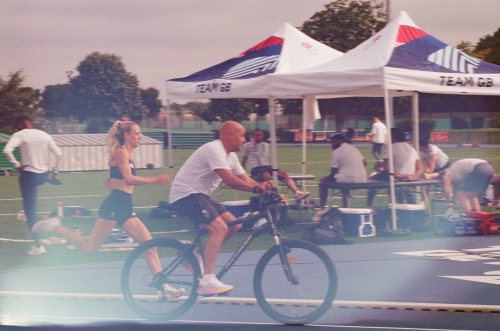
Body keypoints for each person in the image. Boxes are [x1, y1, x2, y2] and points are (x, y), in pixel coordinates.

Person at [32, 120, 185, 298]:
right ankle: (54, 226)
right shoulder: (120, 153)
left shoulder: (129, 155)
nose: (140, 137)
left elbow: (111, 181)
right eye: (137, 133)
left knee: (150, 246)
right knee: (90, 249)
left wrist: (115, 186)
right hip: (115, 206)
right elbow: (128, 179)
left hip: (125, 206)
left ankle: (163, 288)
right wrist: (154, 179)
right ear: (127, 135)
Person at [170, 121, 274, 296]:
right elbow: (230, 180)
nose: (245, 140)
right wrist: (257, 189)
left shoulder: (231, 157)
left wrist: (267, 188)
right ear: (230, 135)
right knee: (220, 228)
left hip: (200, 195)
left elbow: (247, 180)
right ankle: (207, 280)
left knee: (233, 225)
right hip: (186, 195)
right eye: (242, 136)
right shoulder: (214, 149)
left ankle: (196, 256)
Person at [3, 116, 62, 256]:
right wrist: (55, 174)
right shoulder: (44, 134)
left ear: (20, 124)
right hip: (43, 175)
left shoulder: (20, 134)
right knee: (30, 201)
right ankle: (25, 211)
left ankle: (38, 246)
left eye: (18, 126)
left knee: (31, 212)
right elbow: (59, 154)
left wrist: (17, 165)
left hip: (29, 175)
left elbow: (6, 151)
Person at [241, 128, 309, 200]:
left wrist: (270, 166)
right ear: (253, 136)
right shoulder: (248, 145)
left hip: (266, 166)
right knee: (266, 175)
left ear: (262, 136)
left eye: (259, 135)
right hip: (255, 168)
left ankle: (297, 193)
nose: (258, 137)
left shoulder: (266, 145)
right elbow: (244, 159)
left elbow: (263, 158)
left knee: (284, 173)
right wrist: (241, 173)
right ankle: (271, 195)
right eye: (256, 135)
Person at [367, 128, 422, 206]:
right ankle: (395, 204)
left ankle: (369, 207)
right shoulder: (412, 149)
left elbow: (386, 168)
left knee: (372, 183)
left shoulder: (391, 147)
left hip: (396, 178)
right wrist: (413, 178)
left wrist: (398, 175)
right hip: (409, 177)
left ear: (393, 137)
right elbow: (419, 168)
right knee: (388, 178)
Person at [317, 133, 367, 210]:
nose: (332, 144)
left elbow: (333, 171)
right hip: (362, 178)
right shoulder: (354, 148)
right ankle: (345, 206)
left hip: (348, 178)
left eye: (334, 142)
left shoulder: (337, 151)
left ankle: (322, 207)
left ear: (341, 141)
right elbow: (365, 163)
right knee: (344, 178)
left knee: (322, 182)